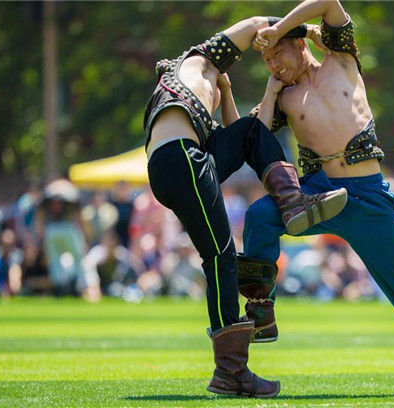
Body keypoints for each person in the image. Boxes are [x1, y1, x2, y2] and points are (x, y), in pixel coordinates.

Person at [246, 0, 394, 395]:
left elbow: (328, 2)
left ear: (300, 43)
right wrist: (270, 88)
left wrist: (277, 25)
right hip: (317, 196)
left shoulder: (342, 58)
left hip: (369, 198)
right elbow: (257, 143)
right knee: (258, 216)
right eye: (265, 60)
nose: (272, 64)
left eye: (276, 52)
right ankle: (262, 310)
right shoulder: (283, 97)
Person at [143, 15, 348, 398]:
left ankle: (291, 202)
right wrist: (305, 29)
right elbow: (257, 22)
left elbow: (243, 136)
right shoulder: (201, 59)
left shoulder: (187, 94)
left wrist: (228, 91)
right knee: (220, 260)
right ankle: (231, 373)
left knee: (251, 135)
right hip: (182, 161)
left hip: (177, 165)